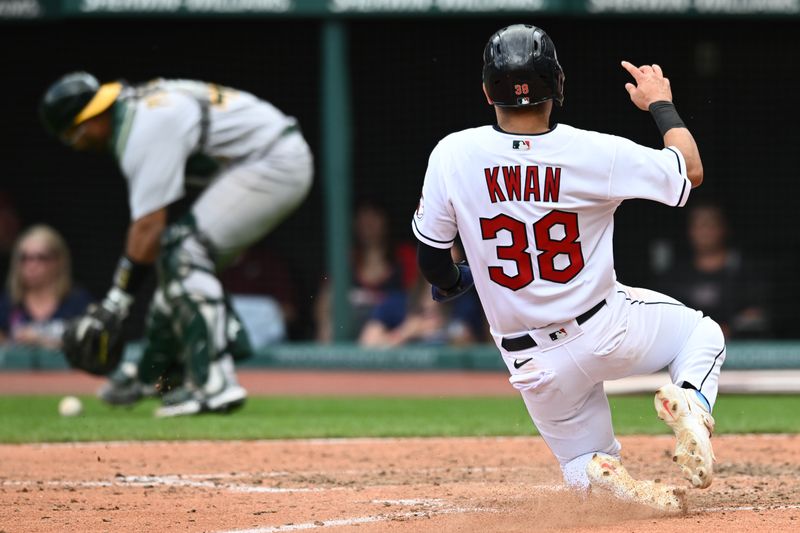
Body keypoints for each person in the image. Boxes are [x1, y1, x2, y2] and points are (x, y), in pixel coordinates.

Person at [412, 24, 725, 513]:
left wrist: (454, 283)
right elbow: (690, 169)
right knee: (701, 336)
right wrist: (659, 103)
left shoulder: (452, 154)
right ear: (558, 84)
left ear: (485, 90)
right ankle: (691, 402)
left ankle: (604, 475)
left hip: (531, 362)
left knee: (583, 460)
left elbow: (432, 260)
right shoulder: (594, 151)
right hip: (607, 329)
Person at [39, 72, 313, 417]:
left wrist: (116, 302)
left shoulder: (141, 129)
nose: (77, 144)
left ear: (87, 121)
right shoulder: (138, 109)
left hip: (275, 161)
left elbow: (148, 227)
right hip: (264, 157)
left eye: (72, 135)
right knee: (176, 258)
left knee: (182, 251)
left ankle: (215, 384)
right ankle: (155, 376)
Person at [653, 201, 772, 338]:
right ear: (689, 231)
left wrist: (728, 329)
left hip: (739, 348)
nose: (704, 231)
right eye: (698, 224)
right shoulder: (674, 275)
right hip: (688, 347)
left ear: (724, 227)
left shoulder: (745, 270)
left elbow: (757, 314)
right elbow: (663, 316)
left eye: (710, 223)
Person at [315, 198, 416, 342]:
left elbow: (415, 300)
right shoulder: (347, 258)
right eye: (363, 216)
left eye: (374, 216)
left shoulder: (405, 255)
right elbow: (324, 301)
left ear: (386, 220)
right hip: (351, 330)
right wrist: (324, 326)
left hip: (391, 334)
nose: (368, 223)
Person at [0, 225, 92, 350]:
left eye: (41, 258)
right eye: (25, 258)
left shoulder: (78, 301)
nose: (31, 266)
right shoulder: (9, 302)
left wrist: (43, 341)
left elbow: (91, 346)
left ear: (59, 261)